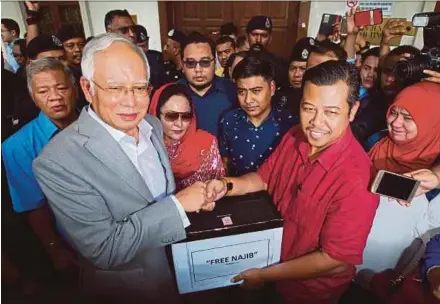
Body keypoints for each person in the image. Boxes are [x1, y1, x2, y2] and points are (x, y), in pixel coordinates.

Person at [32, 33, 212, 302]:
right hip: (129, 291)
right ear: (87, 87)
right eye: (115, 88)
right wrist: (179, 205)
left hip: (180, 274)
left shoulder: (151, 123)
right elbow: (104, 249)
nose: (131, 102)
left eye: (140, 88)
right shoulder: (57, 161)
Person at [206, 60, 379, 304]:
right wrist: (226, 185)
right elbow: (263, 178)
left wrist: (265, 275)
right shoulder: (295, 134)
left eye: (330, 112)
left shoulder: (357, 177)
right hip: (267, 265)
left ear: (352, 111)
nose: (316, 123)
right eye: (309, 108)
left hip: (306, 292)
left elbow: (335, 260)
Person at [357, 82, 440, 284]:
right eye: (394, 112)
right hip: (344, 262)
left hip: (390, 280)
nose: (395, 122)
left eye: (408, 117)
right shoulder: (375, 140)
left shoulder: (433, 173)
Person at [2, 58, 79, 273]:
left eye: (61, 88)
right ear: (33, 97)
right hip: (70, 243)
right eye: (43, 91)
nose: (55, 97)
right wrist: (55, 249)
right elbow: (33, 206)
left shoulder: (99, 126)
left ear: (75, 89)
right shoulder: (17, 147)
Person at [219, 56, 297, 176]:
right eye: (241, 92)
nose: (248, 100)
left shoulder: (289, 124)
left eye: (256, 91)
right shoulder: (229, 121)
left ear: (272, 88)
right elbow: (225, 164)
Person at [148, 83, 225, 190]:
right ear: (156, 114)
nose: (179, 124)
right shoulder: (145, 147)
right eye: (171, 116)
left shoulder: (206, 143)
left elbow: (217, 189)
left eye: (186, 116)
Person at [178, 32, 237, 136]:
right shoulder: (171, 93)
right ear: (182, 65)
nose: (198, 70)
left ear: (215, 63)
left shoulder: (232, 91)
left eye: (205, 62)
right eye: (191, 63)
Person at [273, 37, 315, 115]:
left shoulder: (318, 97)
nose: (296, 74)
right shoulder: (278, 95)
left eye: (303, 69)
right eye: (292, 68)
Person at [246, 15, 288, 89]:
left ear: (270, 39)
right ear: (247, 36)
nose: (258, 40)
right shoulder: (237, 60)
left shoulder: (279, 64)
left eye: (264, 35)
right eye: (255, 34)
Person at [56, 25, 87, 109]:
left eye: (81, 44)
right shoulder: (62, 74)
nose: (77, 49)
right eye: (70, 46)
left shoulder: (92, 68)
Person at [135, 24, 163, 88]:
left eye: (146, 45)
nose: (146, 49)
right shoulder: (125, 61)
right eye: (141, 46)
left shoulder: (156, 58)